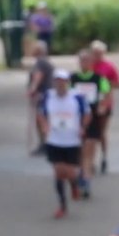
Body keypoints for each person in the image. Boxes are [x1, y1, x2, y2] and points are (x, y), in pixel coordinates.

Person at [39, 70, 90, 219]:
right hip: (54, 140)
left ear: (67, 82)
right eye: (57, 81)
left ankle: (74, 184)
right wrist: (44, 127)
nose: (60, 84)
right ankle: (62, 205)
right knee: (58, 172)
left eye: (63, 81)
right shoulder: (48, 96)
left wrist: (82, 127)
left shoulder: (77, 97)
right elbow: (41, 113)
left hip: (72, 140)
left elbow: (87, 114)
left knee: (69, 171)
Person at [71, 51, 113, 198]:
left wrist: (103, 106)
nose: (84, 64)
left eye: (87, 61)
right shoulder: (72, 78)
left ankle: (86, 179)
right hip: (76, 119)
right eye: (82, 61)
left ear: (91, 63)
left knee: (89, 150)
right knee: (79, 152)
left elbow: (108, 93)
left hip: (93, 117)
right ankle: (81, 174)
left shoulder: (98, 79)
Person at [90, 41, 119, 175]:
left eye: (100, 53)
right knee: (89, 134)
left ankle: (103, 157)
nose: (97, 56)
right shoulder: (88, 66)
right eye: (95, 53)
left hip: (105, 102)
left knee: (101, 132)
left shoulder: (109, 67)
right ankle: (90, 160)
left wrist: (106, 84)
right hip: (90, 103)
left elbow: (118, 84)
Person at [27, 43, 55, 156]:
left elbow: (38, 77)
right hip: (46, 95)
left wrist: (32, 90)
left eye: (34, 48)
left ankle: (45, 144)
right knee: (43, 120)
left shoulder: (41, 62)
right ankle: (45, 143)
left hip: (43, 95)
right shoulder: (44, 61)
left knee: (41, 120)